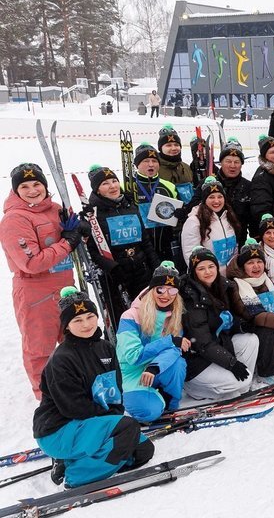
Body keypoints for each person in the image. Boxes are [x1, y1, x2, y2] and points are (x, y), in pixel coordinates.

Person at [34, 287, 155, 487]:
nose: (86, 324)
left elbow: (115, 392)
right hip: (59, 429)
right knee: (128, 428)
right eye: (77, 321)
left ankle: (74, 460)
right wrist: (115, 423)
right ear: (66, 326)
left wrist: (115, 418)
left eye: (90, 316)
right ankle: (76, 475)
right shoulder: (61, 359)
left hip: (92, 423)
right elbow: (73, 407)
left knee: (143, 451)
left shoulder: (106, 348)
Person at [1, 163, 87, 398]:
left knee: (74, 338)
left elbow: (70, 237)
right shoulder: (14, 220)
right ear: (15, 191)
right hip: (35, 291)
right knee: (40, 347)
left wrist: (80, 230)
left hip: (64, 285)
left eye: (37, 184)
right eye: (25, 186)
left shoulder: (53, 208)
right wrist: (67, 243)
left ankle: (75, 383)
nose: (32, 190)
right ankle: (46, 395)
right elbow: (31, 262)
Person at [180, 246, 259, 400]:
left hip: (216, 347)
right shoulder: (191, 298)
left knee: (251, 339)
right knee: (238, 380)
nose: (208, 271)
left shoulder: (221, 286)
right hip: (196, 360)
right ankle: (195, 389)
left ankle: (243, 384)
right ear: (194, 272)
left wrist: (240, 325)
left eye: (211, 266)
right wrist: (232, 364)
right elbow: (202, 342)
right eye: (201, 268)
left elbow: (223, 319)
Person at [85, 164, 160, 320]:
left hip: (141, 271)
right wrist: (112, 268)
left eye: (114, 181)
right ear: (97, 190)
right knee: (124, 317)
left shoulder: (130, 206)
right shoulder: (93, 214)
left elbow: (145, 241)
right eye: (105, 184)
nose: (112, 186)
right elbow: (92, 251)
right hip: (117, 276)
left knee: (148, 314)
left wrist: (155, 266)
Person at [117, 262, 188, 423]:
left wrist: (155, 367)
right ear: (152, 289)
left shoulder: (175, 315)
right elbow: (133, 357)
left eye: (172, 290)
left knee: (178, 363)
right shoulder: (129, 316)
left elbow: (175, 350)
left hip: (155, 369)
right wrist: (169, 341)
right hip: (132, 373)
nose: (166, 295)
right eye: (160, 289)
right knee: (149, 412)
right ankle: (150, 400)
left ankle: (169, 401)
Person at [226, 238, 274, 377]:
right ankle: (267, 371)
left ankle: (264, 356)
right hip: (245, 331)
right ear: (243, 266)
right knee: (264, 327)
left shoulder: (265, 280)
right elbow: (255, 316)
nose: (256, 266)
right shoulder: (237, 285)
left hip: (266, 328)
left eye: (259, 261)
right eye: (250, 263)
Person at [128, 143, 179, 271]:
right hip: (140, 249)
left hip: (165, 246)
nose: (151, 164)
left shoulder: (168, 186)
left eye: (154, 161)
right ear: (137, 164)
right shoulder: (128, 187)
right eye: (146, 161)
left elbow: (179, 215)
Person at [181, 176, 241, 275]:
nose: (216, 201)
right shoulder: (194, 221)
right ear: (204, 199)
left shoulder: (229, 217)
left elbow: (234, 249)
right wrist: (207, 277)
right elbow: (190, 255)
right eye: (211, 197)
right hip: (209, 279)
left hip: (230, 276)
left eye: (220, 197)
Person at [212, 138, 253, 242]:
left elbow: (253, 217)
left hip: (239, 240)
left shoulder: (248, 186)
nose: (232, 166)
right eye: (228, 161)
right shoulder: (210, 184)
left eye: (237, 162)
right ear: (221, 162)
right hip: (212, 239)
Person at [156, 125, 195, 205]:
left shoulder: (186, 167)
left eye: (176, 145)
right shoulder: (155, 169)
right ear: (161, 148)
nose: (174, 148)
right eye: (168, 145)